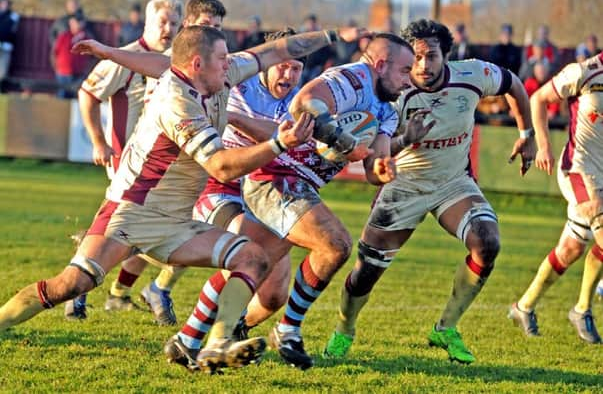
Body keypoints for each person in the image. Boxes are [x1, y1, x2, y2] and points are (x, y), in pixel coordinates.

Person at [0, 24, 333, 373]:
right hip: (131, 214)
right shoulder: (178, 103)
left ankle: (216, 346)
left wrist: (331, 37)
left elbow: (274, 51)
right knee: (71, 285)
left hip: (176, 222)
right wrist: (280, 144)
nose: (229, 65)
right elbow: (221, 167)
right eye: (221, 59)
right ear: (196, 64)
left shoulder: (216, 73)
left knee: (253, 258)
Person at [167, 32, 426, 372]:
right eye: (406, 70)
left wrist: (384, 165)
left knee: (254, 264)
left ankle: (186, 338)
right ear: (380, 65)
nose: (410, 80)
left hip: (300, 183)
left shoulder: (390, 111)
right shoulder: (353, 79)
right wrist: (340, 139)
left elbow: (372, 169)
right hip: (276, 176)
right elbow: (304, 101)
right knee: (335, 245)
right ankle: (288, 330)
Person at [323, 19, 536, 364]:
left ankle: (445, 327)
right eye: (416, 57)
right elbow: (376, 161)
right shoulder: (395, 91)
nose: (423, 66)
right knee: (366, 273)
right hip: (405, 184)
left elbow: (514, 85)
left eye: (431, 56)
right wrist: (404, 140)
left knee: (487, 242)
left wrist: (527, 135)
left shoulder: (474, 74)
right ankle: (344, 328)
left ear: (446, 56)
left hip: (453, 182)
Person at [65, 0, 183, 322]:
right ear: (147, 23)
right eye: (162, 22)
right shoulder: (125, 58)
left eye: (175, 23)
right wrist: (98, 141)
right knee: (124, 233)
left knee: (146, 232)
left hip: (163, 167)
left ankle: (115, 293)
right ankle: (77, 293)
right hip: (128, 163)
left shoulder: (179, 63)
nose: (168, 29)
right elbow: (87, 94)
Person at [508, 50, 603, 345]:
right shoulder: (585, 71)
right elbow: (538, 99)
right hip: (578, 169)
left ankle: (523, 307)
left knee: (571, 248)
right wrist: (543, 145)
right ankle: (583, 308)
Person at [52, 15, 93, 98]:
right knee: (62, 95)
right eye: (72, 22)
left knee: (76, 97)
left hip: (78, 74)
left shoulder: (86, 38)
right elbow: (54, 52)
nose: (74, 25)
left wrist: (86, 71)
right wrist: (56, 68)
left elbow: (92, 56)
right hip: (63, 73)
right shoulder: (63, 36)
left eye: (76, 22)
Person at [300, 13, 334, 84]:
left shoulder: (321, 37)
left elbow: (328, 52)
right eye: (309, 23)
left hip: (316, 66)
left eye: (312, 23)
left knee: (312, 83)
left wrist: (324, 63)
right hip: (303, 66)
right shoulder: (301, 36)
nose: (311, 25)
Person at [0, 0, 19, 90]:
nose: (3, 4)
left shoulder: (13, 15)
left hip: (6, 47)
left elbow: (8, 29)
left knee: (2, 74)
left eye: (5, 2)